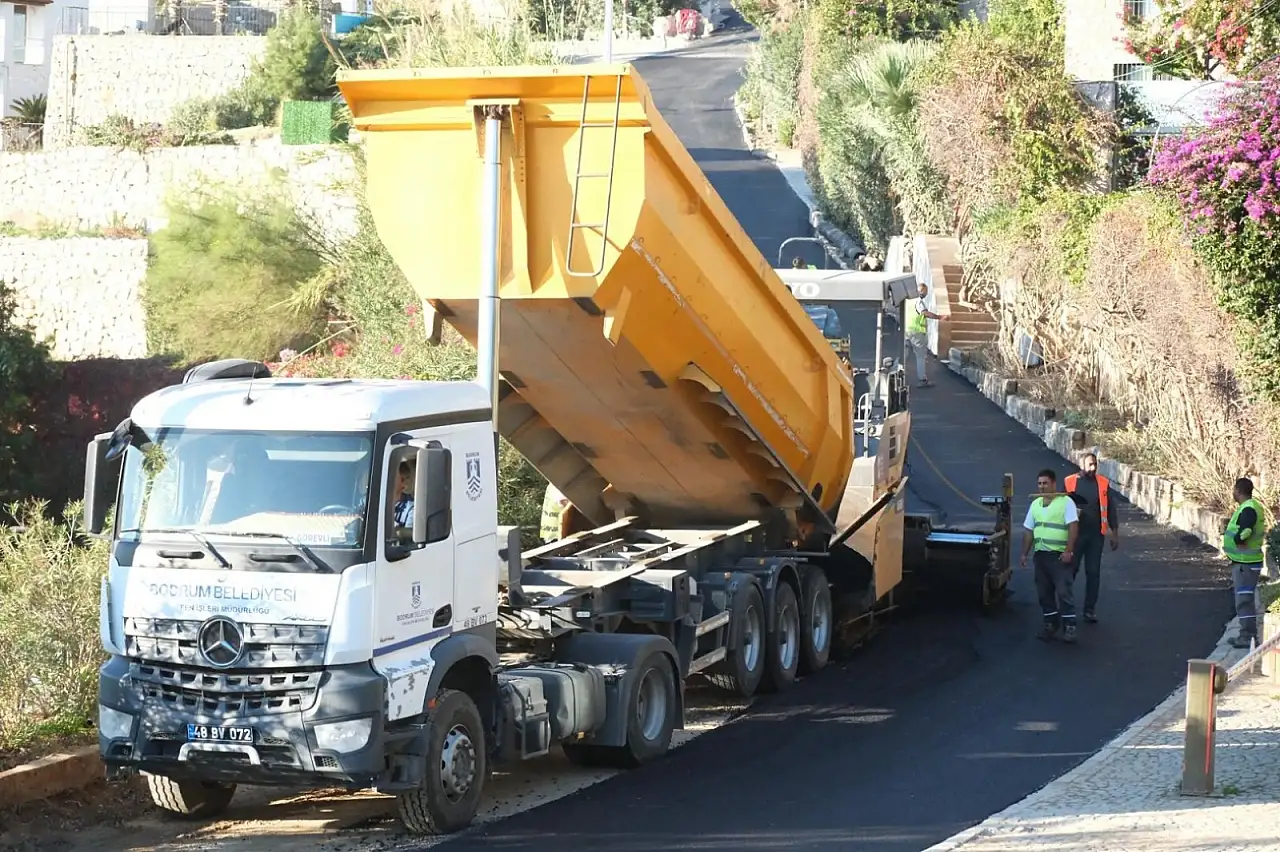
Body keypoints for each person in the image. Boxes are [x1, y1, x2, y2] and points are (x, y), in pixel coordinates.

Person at [1020, 468, 1081, 643]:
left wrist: (1068, 550)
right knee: (1044, 592)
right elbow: (1028, 531)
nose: (1042, 487)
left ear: (1054, 484)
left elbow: (1073, 526)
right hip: (1041, 556)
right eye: (1039, 483)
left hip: (1059, 556)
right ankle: (1051, 624)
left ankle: (1070, 627)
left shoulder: (1066, 502)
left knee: (1063, 591)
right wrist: (1024, 554)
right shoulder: (1035, 505)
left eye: (1045, 483)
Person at [1064, 453, 1119, 624]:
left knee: (1093, 572)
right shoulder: (1070, 482)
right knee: (1070, 571)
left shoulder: (1102, 483)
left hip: (1096, 535)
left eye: (1095, 464)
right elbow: (1060, 506)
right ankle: (1065, 607)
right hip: (1076, 535)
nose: (1093, 468)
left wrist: (1114, 532)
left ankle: (1089, 610)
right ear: (1081, 464)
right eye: (1090, 464)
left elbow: (1110, 508)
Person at [1225, 477, 1266, 649]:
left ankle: (1248, 637)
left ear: (1238, 490)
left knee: (1244, 600)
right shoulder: (1251, 506)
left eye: (1234, 490)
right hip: (1246, 562)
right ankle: (1247, 635)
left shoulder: (1248, 508)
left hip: (1245, 563)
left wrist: (1238, 539)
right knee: (1244, 599)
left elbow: (1246, 530)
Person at [903, 281, 946, 388]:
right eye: (925, 292)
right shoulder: (918, 302)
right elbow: (925, 313)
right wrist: (939, 317)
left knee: (903, 355)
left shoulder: (907, 301)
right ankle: (922, 379)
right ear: (921, 291)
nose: (926, 294)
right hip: (917, 333)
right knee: (920, 357)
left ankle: (893, 373)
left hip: (906, 331)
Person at [393, 460, 414, 531]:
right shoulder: (371, 499)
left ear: (404, 483)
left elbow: (408, 536)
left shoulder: (411, 509)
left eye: (392, 476)